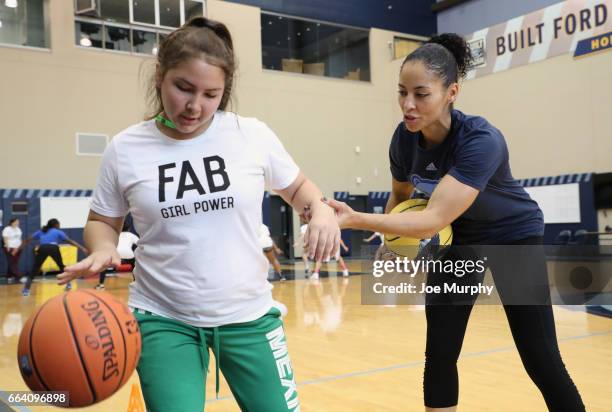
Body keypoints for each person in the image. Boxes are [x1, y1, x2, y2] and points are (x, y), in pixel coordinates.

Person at [57, 17, 339, 412]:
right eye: (183, 88)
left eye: (211, 94)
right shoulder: (126, 148)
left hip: (249, 316)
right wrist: (103, 248)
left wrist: (321, 212)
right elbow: (103, 221)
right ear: (160, 76)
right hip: (162, 318)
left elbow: (299, 189)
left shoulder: (250, 134)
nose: (194, 106)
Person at [323, 34, 585, 412]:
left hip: (512, 237)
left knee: (540, 358)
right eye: (401, 92)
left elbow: (432, 219)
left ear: (451, 92)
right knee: (440, 353)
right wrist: (389, 240)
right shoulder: (404, 139)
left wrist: (355, 219)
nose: (408, 105)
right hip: (460, 239)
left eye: (421, 94)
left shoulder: (482, 139)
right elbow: (401, 197)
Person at [20, 218, 88, 296]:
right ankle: (68, 284)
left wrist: (21, 246)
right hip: (53, 248)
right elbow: (70, 241)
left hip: (43, 248)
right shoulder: (58, 232)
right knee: (61, 266)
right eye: (59, 224)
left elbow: (28, 239)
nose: (59, 225)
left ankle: (26, 289)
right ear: (55, 225)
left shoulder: (42, 231)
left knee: (35, 269)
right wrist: (82, 248)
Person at [95, 222, 139, 290]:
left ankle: (101, 285)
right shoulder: (131, 235)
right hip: (129, 256)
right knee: (135, 267)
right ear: (129, 229)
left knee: (104, 267)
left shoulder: (115, 235)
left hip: (116, 256)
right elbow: (139, 243)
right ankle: (136, 284)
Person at [2, 218, 24, 284]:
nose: (17, 223)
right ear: (12, 222)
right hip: (10, 247)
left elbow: (20, 238)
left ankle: (9, 276)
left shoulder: (18, 229)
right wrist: (7, 246)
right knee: (12, 262)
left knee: (14, 262)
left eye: (18, 222)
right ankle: (18, 276)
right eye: (16, 222)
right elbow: (5, 238)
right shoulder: (7, 229)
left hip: (17, 248)